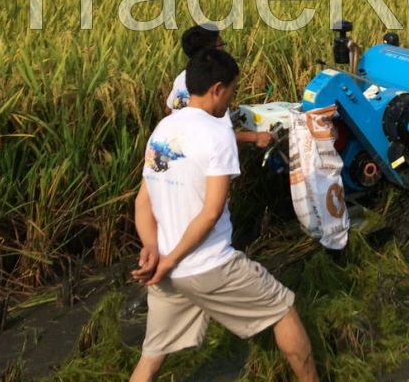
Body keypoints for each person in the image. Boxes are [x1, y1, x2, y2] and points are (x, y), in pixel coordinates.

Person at [130, 49, 317, 382]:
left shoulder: (164, 128)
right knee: (284, 311)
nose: (232, 98)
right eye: (232, 90)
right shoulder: (217, 135)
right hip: (206, 265)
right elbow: (212, 212)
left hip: (166, 271)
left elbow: (143, 201)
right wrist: (171, 259)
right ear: (217, 89)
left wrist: (152, 248)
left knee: (152, 357)